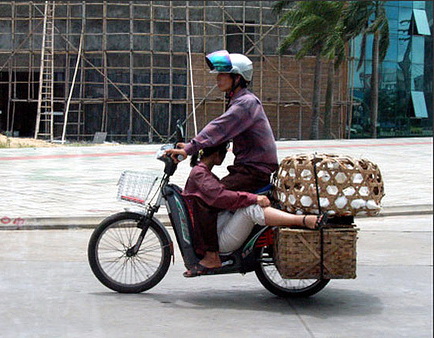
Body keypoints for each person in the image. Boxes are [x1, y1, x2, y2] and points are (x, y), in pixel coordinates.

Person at [181, 142, 326, 278]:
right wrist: (253, 198)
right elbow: (220, 196)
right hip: (218, 240)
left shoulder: (201, 172)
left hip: (216, 228)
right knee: (250, 209)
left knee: (246, 205)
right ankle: (303, 221)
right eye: (225, 153)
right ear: (216, 155)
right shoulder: (199, 174)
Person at [166, 49, 278, 193]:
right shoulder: (238, 101)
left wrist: (189, 148)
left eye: (223, 74)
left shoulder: (246, 103)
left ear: (237, 78)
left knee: (210, 194)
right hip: (245, 169)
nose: (218, 78)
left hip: (253, 173)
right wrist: (191, 145)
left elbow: (220, 128)